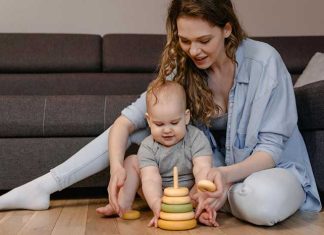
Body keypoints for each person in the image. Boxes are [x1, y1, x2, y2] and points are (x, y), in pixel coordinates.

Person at [0, 0, 321, 227]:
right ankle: (44, 186)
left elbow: (269, 151)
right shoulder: (184, 66)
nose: (193, 50)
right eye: (185, 40)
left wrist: (220, 178)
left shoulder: (265, 61)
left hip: (270, 171)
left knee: (260, 203)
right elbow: (127, 121)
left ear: (227, 29)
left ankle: (212, 198)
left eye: (204, 40)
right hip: (214, 174)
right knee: (153, 123)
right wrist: (117, 170)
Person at [97, 80, 215, 227]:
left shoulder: (197, 138)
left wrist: (201, 191)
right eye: (159, 124)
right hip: (159, 194)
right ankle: (122, 205)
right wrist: (155, 203)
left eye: (174, 123)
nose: (167, 130)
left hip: (189, 195)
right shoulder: (148, 146)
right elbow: (150, 179)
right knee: (131, 161)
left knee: (208, 178)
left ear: (186, 117)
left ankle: (200, 210)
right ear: (149, 121)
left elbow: (202, 168)